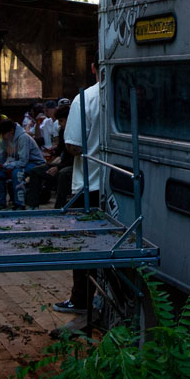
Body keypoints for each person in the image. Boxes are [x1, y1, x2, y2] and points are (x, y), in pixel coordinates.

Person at [53, 63, 104, 313]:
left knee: (83, 244)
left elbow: (73, 145)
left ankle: (80, 299)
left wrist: (92, 149)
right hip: (119, 185)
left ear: (93, 67)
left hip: (89, 184)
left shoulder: (85, 98)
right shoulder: (127, 92)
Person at [0, 117, 43, 209]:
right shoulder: (4, 140)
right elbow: (0, 158)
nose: (2, 136)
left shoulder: (23, 137)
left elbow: (23, 162)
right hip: (16, 163)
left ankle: (20, 204)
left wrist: (5, 165)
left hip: (34, 163)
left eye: (4, 133)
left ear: (11, 131)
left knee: (17, 173)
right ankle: (0, 203)